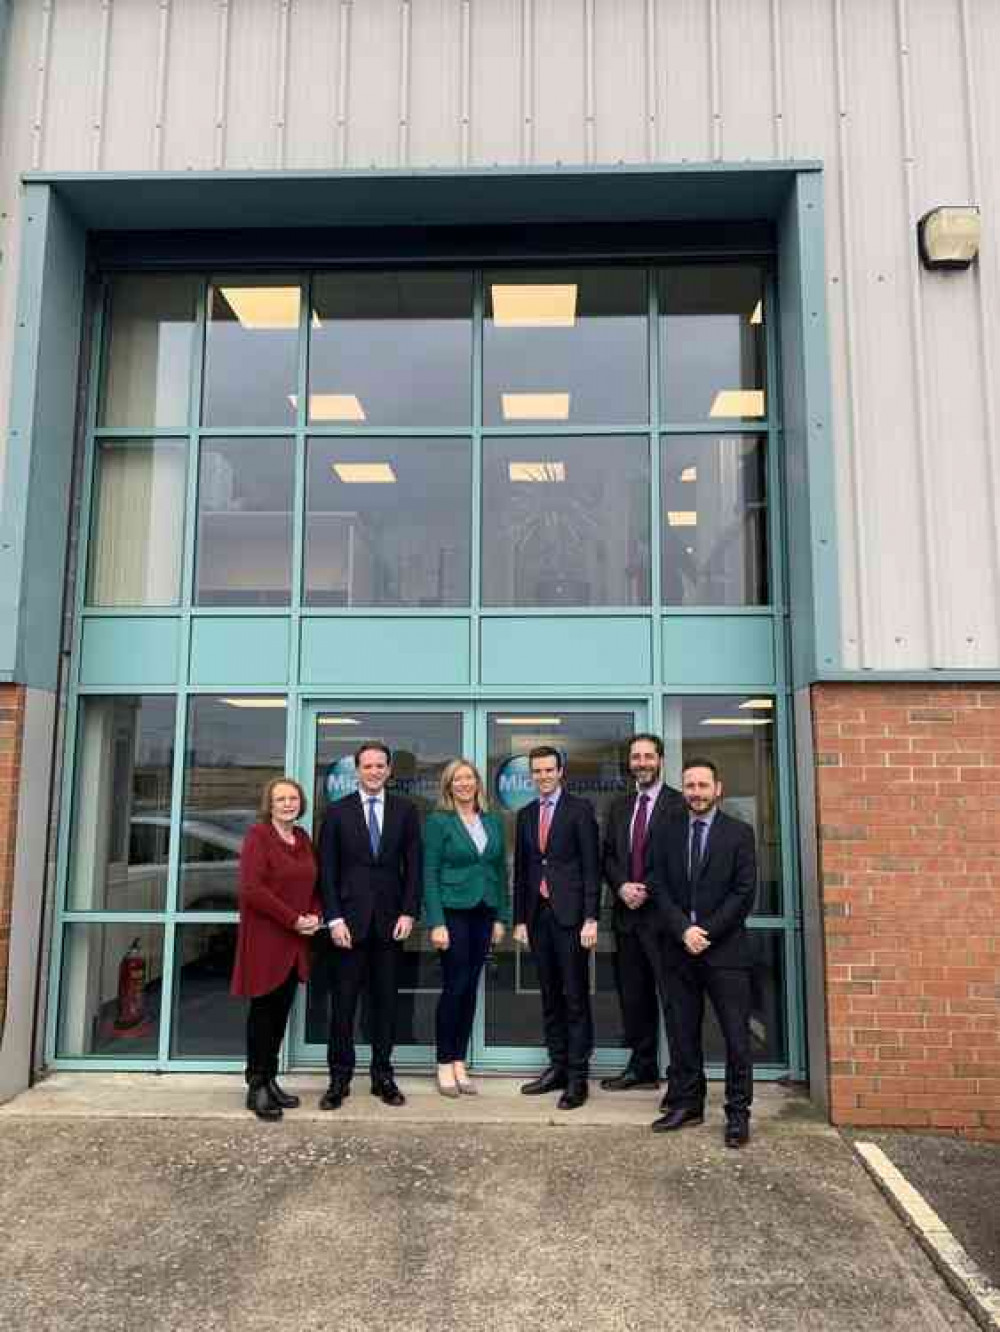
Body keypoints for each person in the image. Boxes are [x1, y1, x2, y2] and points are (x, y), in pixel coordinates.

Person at [645, 757, 757, 1148]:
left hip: (724, 952)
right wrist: (683, 930)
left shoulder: (740, 834)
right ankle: (687, 1104)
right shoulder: (666, 831)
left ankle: (738, 1114)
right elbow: (656, 884)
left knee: (735, 1039)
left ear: (717, 789)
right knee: (682, 1032)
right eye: (689, 786)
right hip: (678, 949)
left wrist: (704, 931)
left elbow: (744, 893)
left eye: (702, 786)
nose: (696, 793)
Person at [318, 741, 422, 1110]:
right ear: (357, 770)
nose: (375, 771)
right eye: (368, 766)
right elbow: (326, 872)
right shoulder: (336, 813)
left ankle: (383, 1076)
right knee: (343, 1006)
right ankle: (339, 1079)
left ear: (389, 771)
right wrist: (333, 918)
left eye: (381, 766)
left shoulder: (406, 811)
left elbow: (414, 867)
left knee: (385, 1005)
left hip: (391, 925)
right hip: (348, 925)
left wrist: (410, 912)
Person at [512, 746, 600, 1110]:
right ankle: (557, 1067)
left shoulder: (580, 810)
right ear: (531, 775)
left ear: (561, 771)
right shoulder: (526, 814)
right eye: (537, 771)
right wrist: (520, 919)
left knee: (575, 998)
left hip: (572, 917)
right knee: (549, 996)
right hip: (539, 916)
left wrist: (591, 918)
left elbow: (592, 868)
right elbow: (522, 870)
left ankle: (578, 1078)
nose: (543, 776)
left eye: (549, 770)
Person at [231, 777, 321, 1121]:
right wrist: (293, 919)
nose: (288, 804)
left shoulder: (302, 839)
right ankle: (256, 1087)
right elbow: (252, 888)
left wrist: (314, 914)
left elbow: (314, 883)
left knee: (280, 1015)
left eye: (293, 799)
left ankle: (270, 1079)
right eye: (281, 799)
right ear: (269, 804)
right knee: (263, 1014)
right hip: (268, 938)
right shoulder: (259, 837)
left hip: (295, 939)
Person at [600, 733, 684, 1092]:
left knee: (673, 999)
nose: (642, 763)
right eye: (636, 757)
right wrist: (621, 886)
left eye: (649, 756)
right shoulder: (619, 806)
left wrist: (644, 888)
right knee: (633, 997)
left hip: (662, 918)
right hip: (627, 917)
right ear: (629, 763)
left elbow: (677, 858)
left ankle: (681, 1077)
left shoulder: (679, 804)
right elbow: (608, 856)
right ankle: (642, 1067)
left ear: (660, 760)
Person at [423, 759, 510, 1097]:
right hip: (453, 912)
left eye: (469, 778)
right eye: (457, 779)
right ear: (448, 785)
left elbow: (501, 871)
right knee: (454, 987)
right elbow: (428, 873)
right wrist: (436, 922)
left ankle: (460, 1059)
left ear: (477, 783)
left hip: (484, 910)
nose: (464, 784)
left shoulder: (492, 821)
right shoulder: (438, 822)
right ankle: (444, 1061)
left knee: (471, 987)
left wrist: (502, 916)